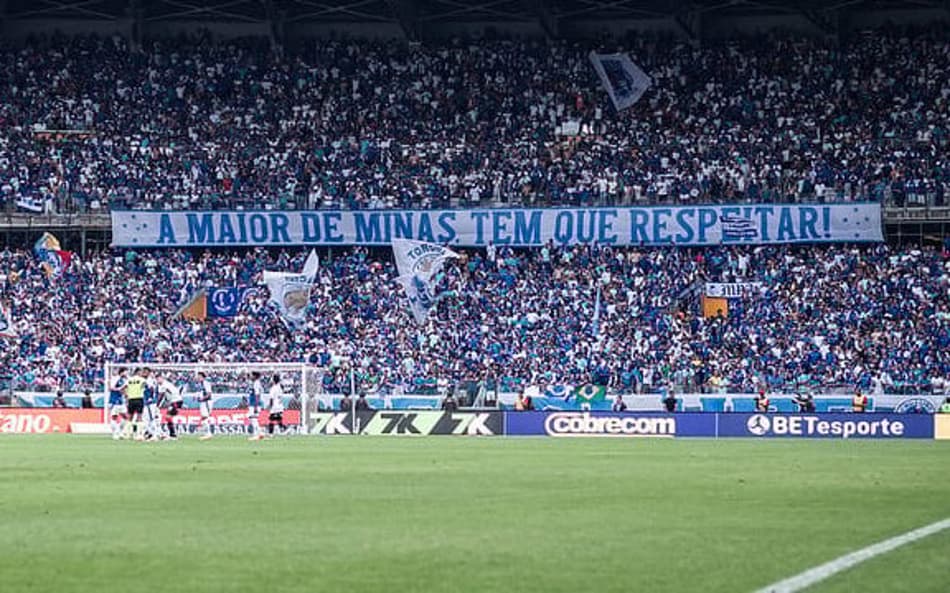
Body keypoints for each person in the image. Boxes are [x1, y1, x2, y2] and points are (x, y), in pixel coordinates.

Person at [158, 375, 183, 440]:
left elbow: (161, 396)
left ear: (162, 379)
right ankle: (172, 433)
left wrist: (157, 405)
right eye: (157, 379)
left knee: (168, 416)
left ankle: (173, 434)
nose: (158, 381)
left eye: (159, 379)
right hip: (176, 401)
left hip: (176, 401)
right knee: (168, 417)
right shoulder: (166, 384)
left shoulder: (164, 385)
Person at [124, 368, 147, 440]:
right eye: (141, 372)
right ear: (138, 372)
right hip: (139, 398)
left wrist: (126, 395)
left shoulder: (129, 380)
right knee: (139, 417)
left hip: (131, 399)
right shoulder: (142, 380)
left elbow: (123, 388)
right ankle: (139, 434)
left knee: (129, 417)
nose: (142, 373)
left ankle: (127, 434)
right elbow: (145, 387)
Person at [108, 368, 128, 440]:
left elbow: (123, 391)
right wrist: (120, 389)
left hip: (121, 401)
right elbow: (110, 388)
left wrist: (126, 395)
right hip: (114, 401)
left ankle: (120, 431)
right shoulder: (115, 379)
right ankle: (115, 434)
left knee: (125, 417)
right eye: (125, 372)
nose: (126, 374)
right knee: (114, 417)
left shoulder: (123, 380)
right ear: (121, 372)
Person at [142, 368, 161, 440]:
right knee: (147, 418)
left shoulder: (150, 381)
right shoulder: (146, 380)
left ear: (149, 373)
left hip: (150, 402)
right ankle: (149, 433)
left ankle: (155, 434)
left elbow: (152, 389)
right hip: (146, 402)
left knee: (150, 418)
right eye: (143, 372)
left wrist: (150, 397)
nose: (144, 373)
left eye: (145, 372)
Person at [247, 371, 264, 441]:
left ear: (255, 376)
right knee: (252, 418)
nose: (251, 376)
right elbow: (248, 378)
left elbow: (257, 395)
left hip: (254, 404)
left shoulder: (256, 383)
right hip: (253, 404)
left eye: (252, 375)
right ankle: (260, 433)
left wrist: (256, 406)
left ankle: (256, 434)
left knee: (253, 419)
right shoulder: (255, 382)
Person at [197, 372, 215, 440]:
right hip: (203, 402)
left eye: (199, 376)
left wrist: (202, 398)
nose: (198, 378)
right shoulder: (200, 384)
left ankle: (208, 433)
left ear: (202, 377)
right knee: (204, 417)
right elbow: (201, 393)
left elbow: (209, 394)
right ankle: (206, 433)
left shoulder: (206, 383)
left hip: (207, 402)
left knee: (205, 417)